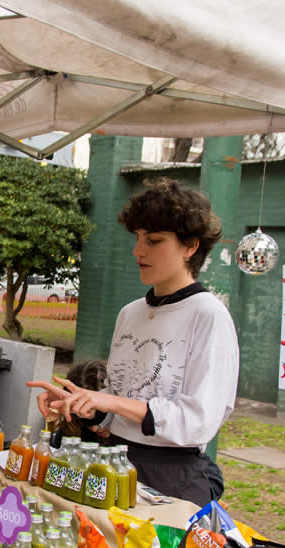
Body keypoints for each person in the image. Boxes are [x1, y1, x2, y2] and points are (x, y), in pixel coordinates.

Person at [28, 178, 237, 505]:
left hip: (171, 477)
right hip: (114, 463)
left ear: (191, 246)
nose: (139, 251)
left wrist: (111, 402)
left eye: (154, 240)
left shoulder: (209, 316)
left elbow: (200, 419)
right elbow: (117, 403)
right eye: (138, 238)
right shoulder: (130, 313)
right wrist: (83, 403)